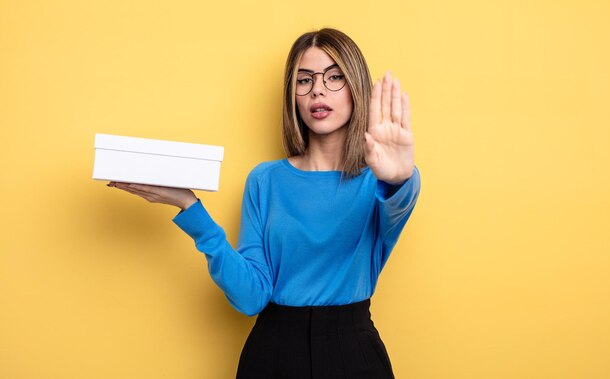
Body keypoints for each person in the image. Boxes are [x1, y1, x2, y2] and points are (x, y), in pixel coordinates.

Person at [109, 28, 420, 379]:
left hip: (353, 351)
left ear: (356, 87)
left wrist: (396, 178)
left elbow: (400, 198)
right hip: (274, 353)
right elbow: (252, 297)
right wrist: (189, 207)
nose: (318, 88)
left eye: (334, 77)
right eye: (304, 80)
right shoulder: (265, 180)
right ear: (293, 96)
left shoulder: (382, 182)